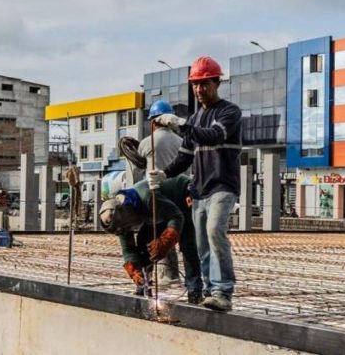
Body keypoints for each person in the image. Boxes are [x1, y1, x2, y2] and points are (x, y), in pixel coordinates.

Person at [148, 56, 242, 312]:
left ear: (216, 83)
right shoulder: (196, 117)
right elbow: (184, 157)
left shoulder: (229, 112)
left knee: (214, 231)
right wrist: (164, 174)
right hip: (199, 189)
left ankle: (223, 291)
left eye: (204, 83)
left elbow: (214, 135)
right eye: (195, 85)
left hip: (223, 186)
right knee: (201, 243)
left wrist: (180, 123)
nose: (199, 89)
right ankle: (211, 291)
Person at [98, 175, 203, 304]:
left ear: (126, 212)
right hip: (160, 212)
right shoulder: (120, 220)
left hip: (181, 197)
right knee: (144, 242)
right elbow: (128, 249)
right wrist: (134, 270)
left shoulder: (147, 198)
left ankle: (194, 291)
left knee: (187, 244)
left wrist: (165, 242)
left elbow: (177, 217)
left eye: (126, 227)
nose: (126, 231)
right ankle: (144, 284)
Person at [138, 100, 185, 287]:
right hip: (181, 192)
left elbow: (136, 170)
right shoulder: (182, 141)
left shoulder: (147, 142)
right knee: (181, 236)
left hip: (157, 196)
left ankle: (148, 278)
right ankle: (189, 282)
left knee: (149, 235)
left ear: (153, 122)